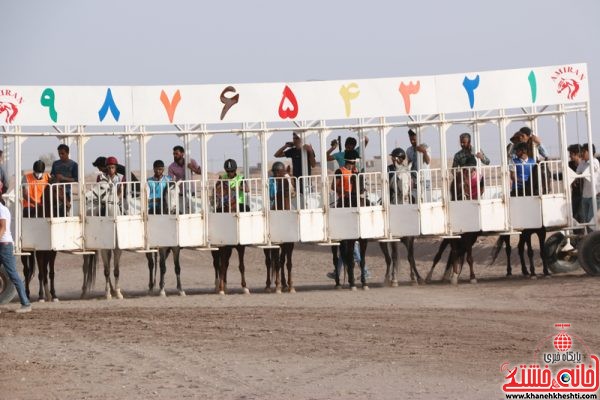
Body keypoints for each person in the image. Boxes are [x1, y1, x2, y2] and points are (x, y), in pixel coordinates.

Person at [0, 194, 32, 313]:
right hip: (3, 244)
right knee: (13, 275)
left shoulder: (1, 209)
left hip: (4, 246)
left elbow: (2, 228)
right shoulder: (3, 208)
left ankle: (26, 304)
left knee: (13, 275)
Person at [576, 143, 600, 227]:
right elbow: (577, 173)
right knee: (585, 219)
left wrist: (578, 176)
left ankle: (593, 239)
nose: (581, 154)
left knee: (591, 220)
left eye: (583, 151)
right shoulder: (582, 163)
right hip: (585, 196)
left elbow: (585, 173)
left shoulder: (595, 162)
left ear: (589, 152)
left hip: (595, 196)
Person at [406, 129, 431, 202]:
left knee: (425, 199)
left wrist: (424, 152)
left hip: (425, 179)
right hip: (414, 180)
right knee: (414, 199)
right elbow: (409, 163)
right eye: (410, 140)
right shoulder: (409, 150)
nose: (412, 141)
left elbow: (428, 161)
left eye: (414, 139)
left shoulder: (426, 147)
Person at [567, 144, 584, 223]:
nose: (570, 156)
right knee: (574, 214)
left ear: (577, 154)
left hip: (584, 193)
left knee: (581, 214)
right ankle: (577, 233)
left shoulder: (584, 164)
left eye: (571, 154)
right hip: (575, 193)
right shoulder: (569, 165)